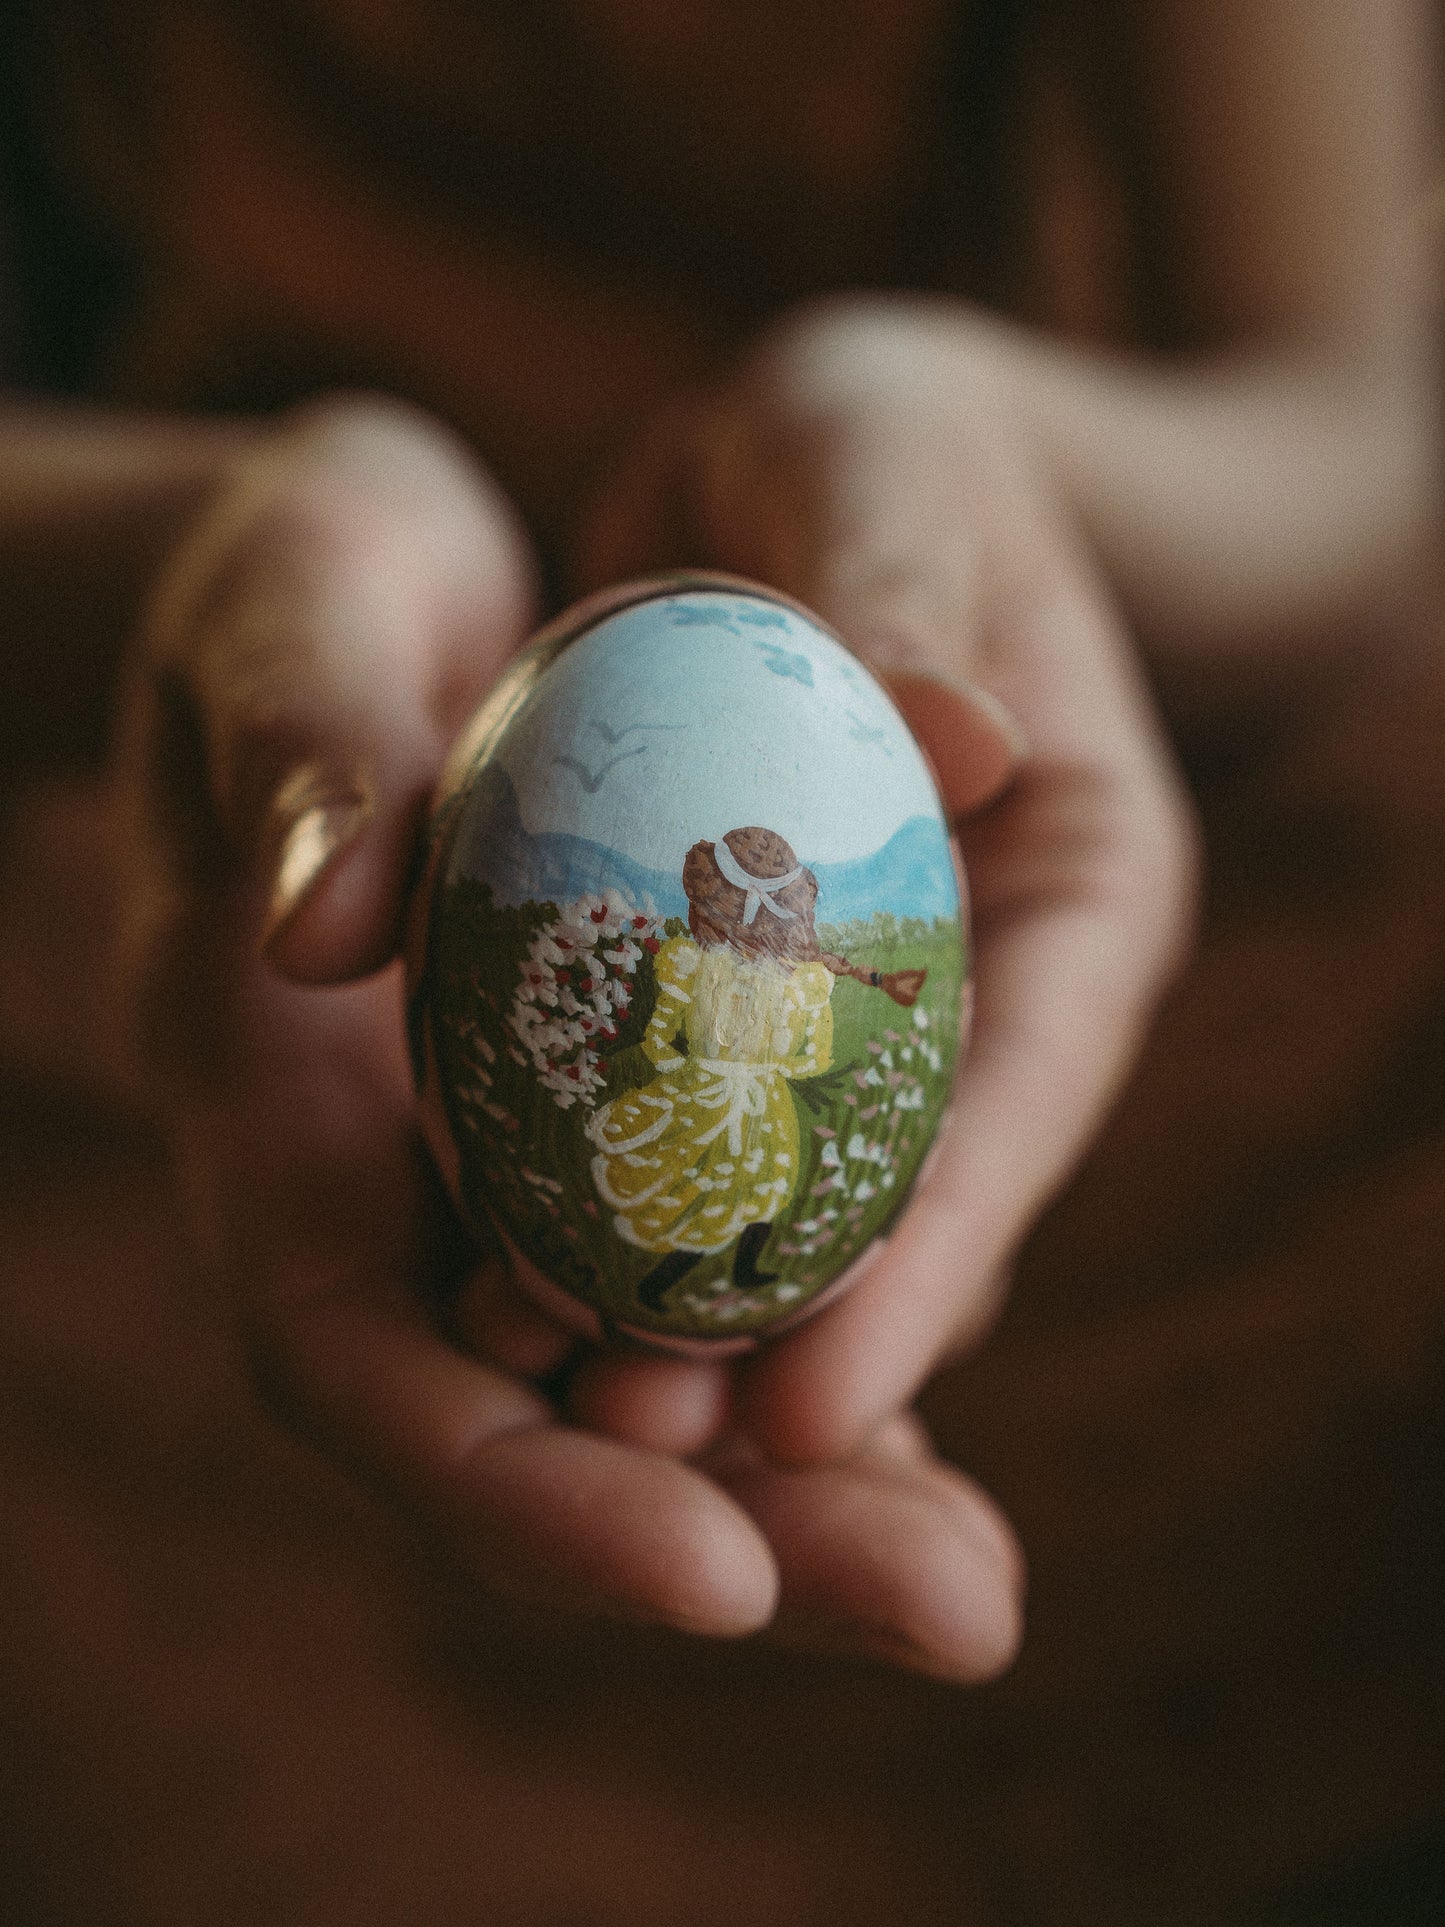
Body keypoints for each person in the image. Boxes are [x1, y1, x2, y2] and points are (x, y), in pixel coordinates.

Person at [0, 0, 1437, 1680]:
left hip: (1084, 797)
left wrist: (988, 442)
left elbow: (1348, 422)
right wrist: (191, 564)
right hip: (242, 855)